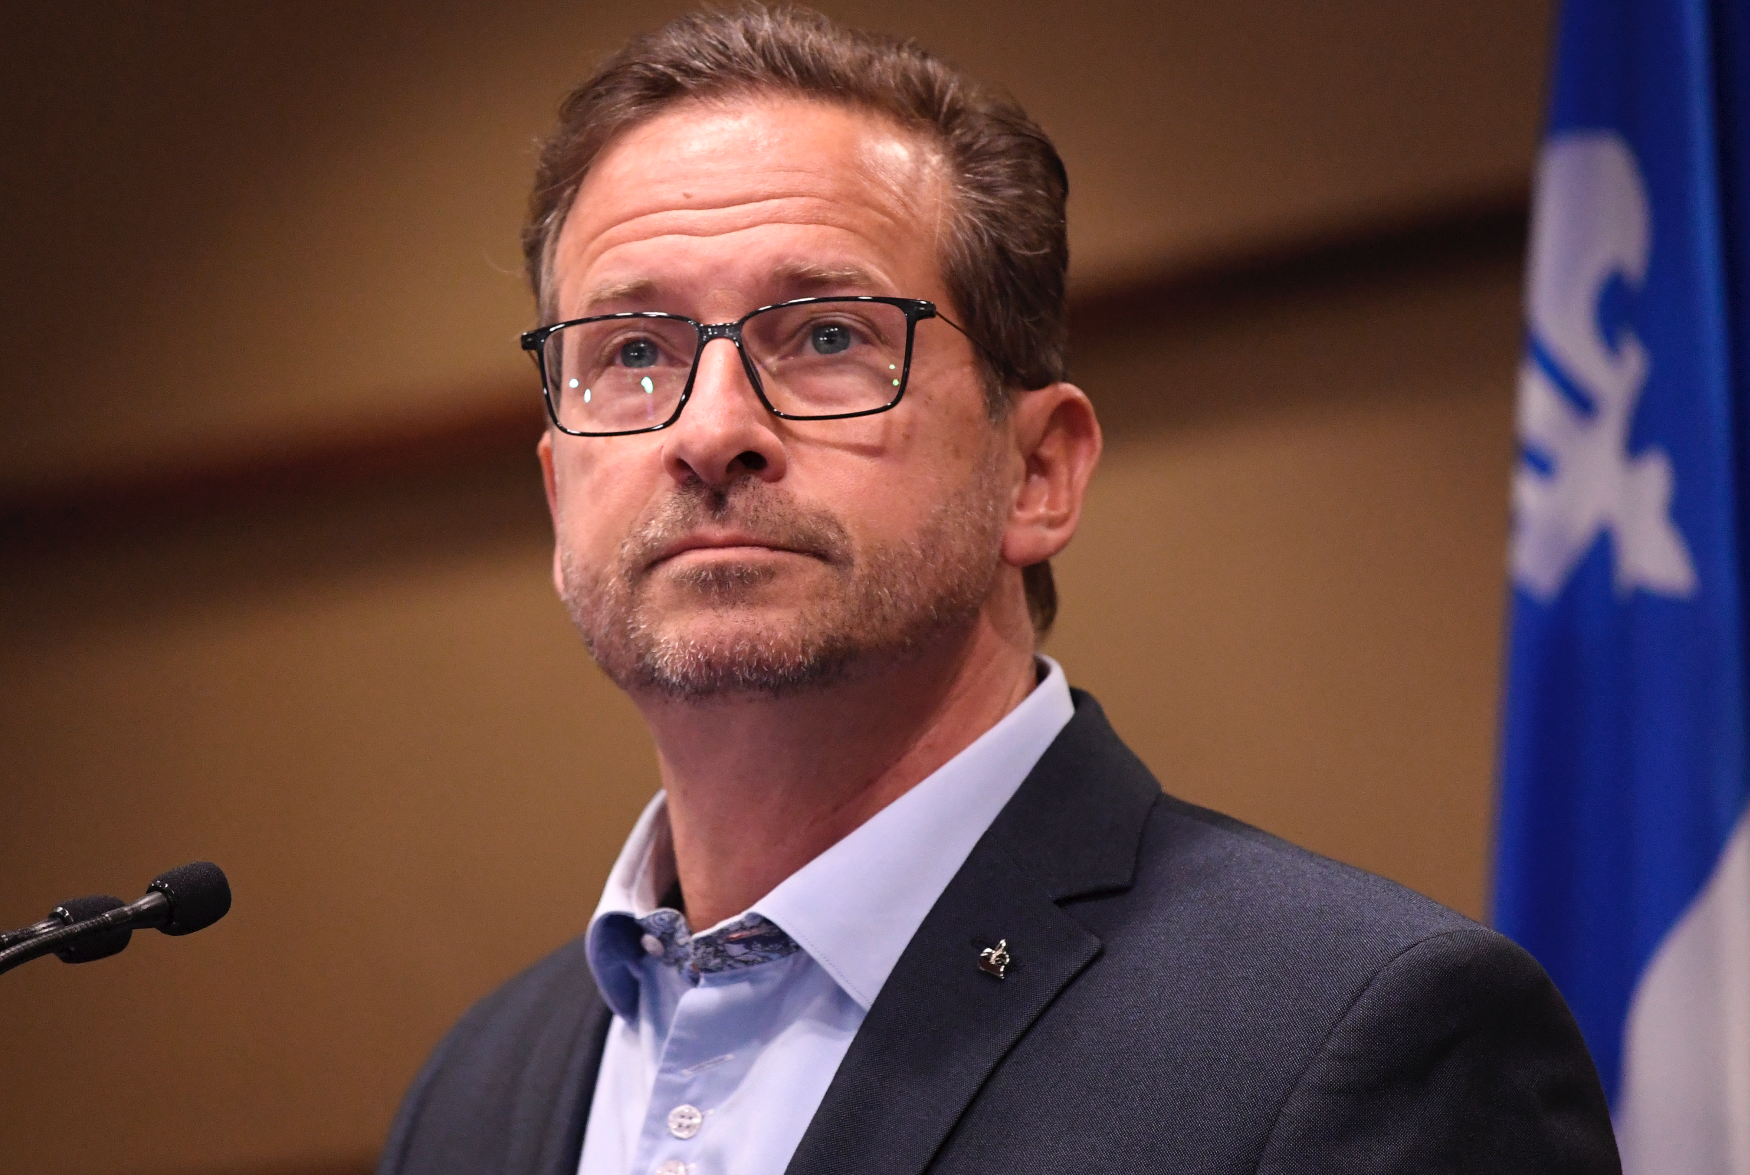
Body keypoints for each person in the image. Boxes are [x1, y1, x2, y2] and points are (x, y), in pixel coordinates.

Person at [377, 7, 1620, 1174]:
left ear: (1038, 470)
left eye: (825, 337)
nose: (708, 431)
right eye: (633, 352)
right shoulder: (473, 1091)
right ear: (559, 491)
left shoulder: (1367, 1034)